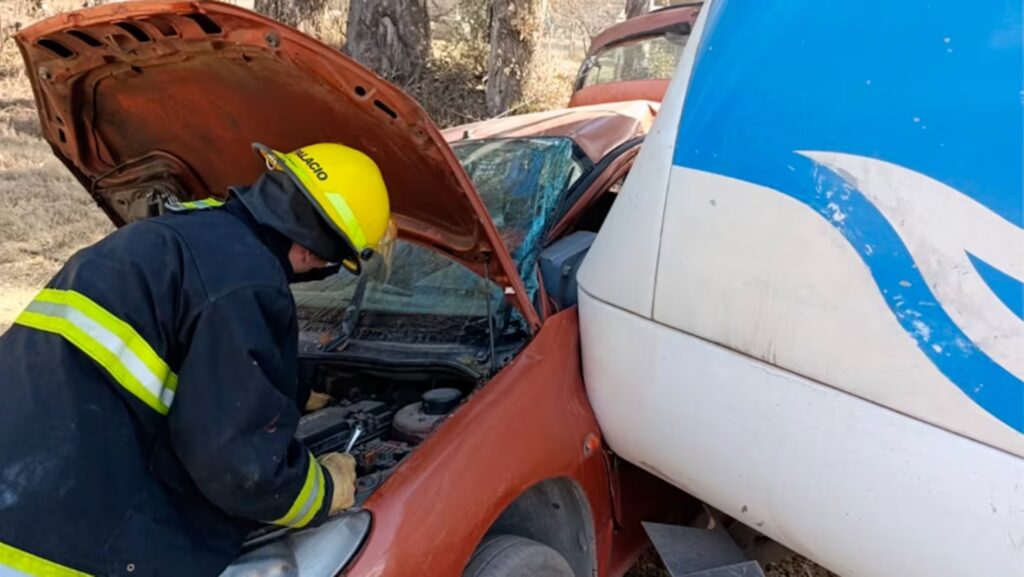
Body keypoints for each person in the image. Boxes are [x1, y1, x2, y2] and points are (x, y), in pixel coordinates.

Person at [0, 142, 395, 576]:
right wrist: (322, 491)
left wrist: (293, 392)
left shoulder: (175, 235)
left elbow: (170, 356)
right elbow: (239, 468)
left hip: (20, 486)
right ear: (312, 251)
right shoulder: (248, 283)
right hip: (55, 544)